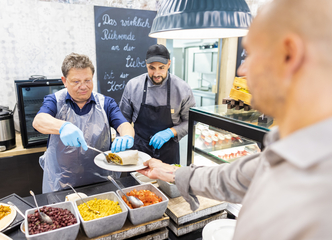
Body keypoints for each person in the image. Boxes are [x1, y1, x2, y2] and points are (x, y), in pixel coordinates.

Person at [137, 0, 332, 239]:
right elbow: (231, 178)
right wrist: (171, 173)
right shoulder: (292, 147)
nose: (242, 70)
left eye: (251, 54)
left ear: (290, 55)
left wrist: (172, 137)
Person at [33, 53, 134, 193]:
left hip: (102, 182)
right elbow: (39, 121)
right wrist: (63, 126)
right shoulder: (55, 101)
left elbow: (124, 125)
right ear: (64, 80)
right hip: (61, 183)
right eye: (76, 81)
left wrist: (126, 136)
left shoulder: (106, 103)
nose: (83, 86)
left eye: (88, 80)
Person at [119, 44, 195, 164]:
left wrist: (170, 132)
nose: (156, 73)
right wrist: (124, 137)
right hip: (138, 151)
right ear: (146, 64)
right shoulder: (133, 86)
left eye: (161, 67)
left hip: (168, 152)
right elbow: (123, 119)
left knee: (166, 182)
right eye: (151, 68)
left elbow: (191, 122)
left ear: (169, 64)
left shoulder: (182, 89)